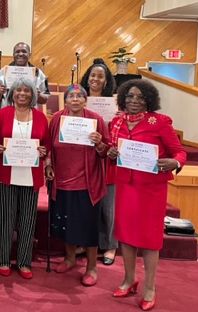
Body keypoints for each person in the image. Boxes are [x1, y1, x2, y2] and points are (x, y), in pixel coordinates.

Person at [108, 79, 186, 311]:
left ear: (149, 100)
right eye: (130, 96)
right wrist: (112, 152)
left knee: (150, 240)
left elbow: (179, 152)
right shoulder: (117, 121)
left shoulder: (160, 122)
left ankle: (149, 287)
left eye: (140, 97)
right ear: (123, 98)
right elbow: (114, 151)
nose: (134, 101)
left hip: (151, 189)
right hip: (125, 186)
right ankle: (129, 278)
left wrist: (174, 162)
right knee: (126, 235)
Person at [48, 84, 110, 286]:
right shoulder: (57, 118)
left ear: (85, 100)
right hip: (62, 180)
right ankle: (69, 258)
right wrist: (48, 164)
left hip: (87, 182)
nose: (75, 99)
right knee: (66, 223)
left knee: (88, 227)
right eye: (71, 96)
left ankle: (91, 267)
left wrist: (100, 143)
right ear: (65, 100)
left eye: (79, 96)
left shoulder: (96, 119)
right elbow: (48, 145)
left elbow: (106, 151)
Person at [0, 78, 50, 279]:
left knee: (27, 220)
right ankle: (4, 260)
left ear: (33, 94)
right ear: (12, 93)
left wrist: (42, 151)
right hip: (7, 173)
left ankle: (24, 261)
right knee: (6, 219)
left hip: (31, 175)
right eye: (18, 90)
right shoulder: (2, 114)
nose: (22, 93)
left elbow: (46, 145)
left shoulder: (41, 117)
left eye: (26, 90)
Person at [80, 58, 118, 265]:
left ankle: (110, 245)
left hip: (106, 157)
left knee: (107, 205)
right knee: (86, 203)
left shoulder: (114, 103)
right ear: (87, 78)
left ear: (106, 81)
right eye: (93, 75)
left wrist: (119, 116)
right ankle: (86, 243)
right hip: (83, 156)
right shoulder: (79, 99)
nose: (95, 79)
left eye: (100, 76)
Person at [0, 42, 50, 107]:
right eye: (17, 52)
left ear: (29, 55)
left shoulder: (38, 73)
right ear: (13, 54)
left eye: (24, 51)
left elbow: (45, 100)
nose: (21, 54)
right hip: (7, 112)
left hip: (29, 113)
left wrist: (38, 94)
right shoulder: (3, 72)